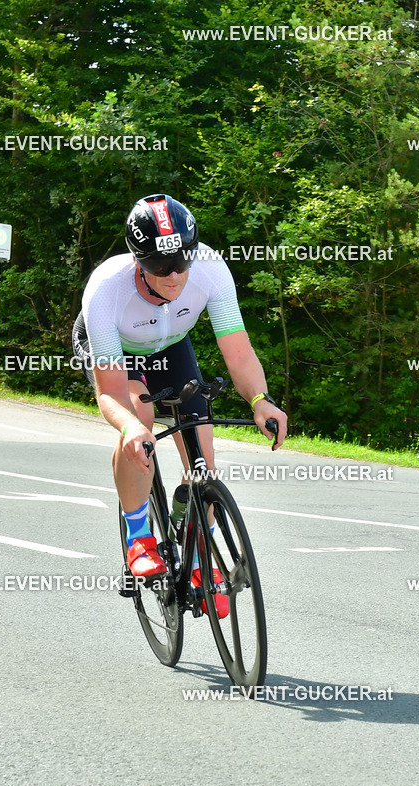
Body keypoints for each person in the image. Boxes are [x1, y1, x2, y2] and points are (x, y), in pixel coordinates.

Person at [72, 192, 287, 592]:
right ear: (138, 260)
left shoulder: (211, 270)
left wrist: (261, 400)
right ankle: (138, 537)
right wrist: (131, 428)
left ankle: (194, 551)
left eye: (181, 262)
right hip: (118, 353)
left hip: (170, 346)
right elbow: (112, 392)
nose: (173, 275)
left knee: (203, 458)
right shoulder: (106, 290)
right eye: (159, 265)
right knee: (141, 421)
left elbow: (238, 352)